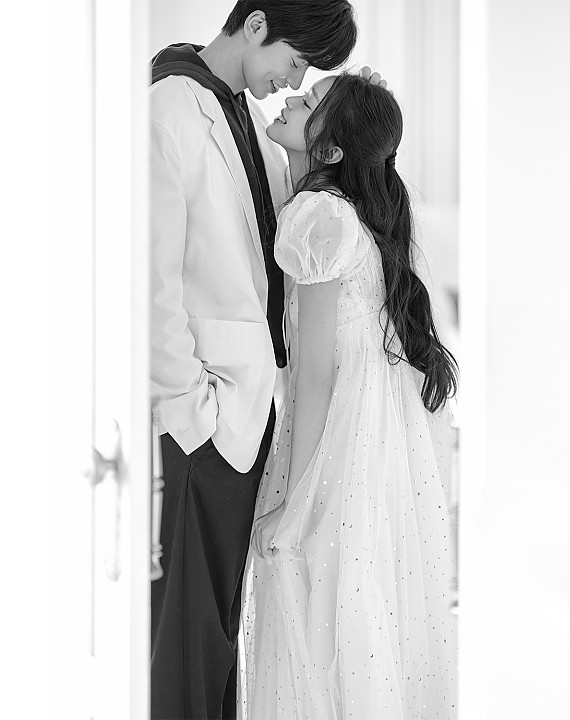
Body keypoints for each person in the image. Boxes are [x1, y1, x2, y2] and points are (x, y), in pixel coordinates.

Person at [149, 2, 358, 719]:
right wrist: (190, 413)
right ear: (258, 25)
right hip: (201, 423)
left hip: (246, 417)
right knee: (184, 639)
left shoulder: (247, 121)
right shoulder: (170, 109)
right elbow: (152, 282)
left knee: (220, 635)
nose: (292, 82)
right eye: (295, 63)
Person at [241, 73, 459, 719]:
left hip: (336, 438)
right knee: (347, 609)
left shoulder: (319, 216)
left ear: (332, 150)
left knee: (311, 601)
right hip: (366, 439)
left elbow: (314, 374)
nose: (290, 97)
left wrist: (293, 499)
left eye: (309, 102)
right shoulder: (340, 210)